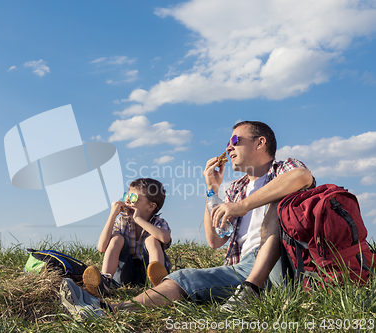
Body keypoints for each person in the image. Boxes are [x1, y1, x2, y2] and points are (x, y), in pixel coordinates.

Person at [59, 121, 315, 318]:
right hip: (241, 266)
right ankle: (107, 310)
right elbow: (215, 241)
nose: (228, 147)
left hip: (281, 264)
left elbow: (301, 177)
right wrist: (211, 191)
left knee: (275, 203)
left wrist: (241, 206)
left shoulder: (281, 169)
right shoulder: (235, 188)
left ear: (260, 143)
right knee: (183, 277)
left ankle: (252, 290)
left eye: (235, 140)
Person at [81, 178, 172, 298]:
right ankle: (104, 281)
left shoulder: (158, 222)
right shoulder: (122, 221)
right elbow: (102, 247)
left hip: (148, 274)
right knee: (116, 239)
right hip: (125, 274)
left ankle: (159, 285)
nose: (127, 201)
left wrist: (138, 219)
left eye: (133, 198)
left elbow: (165, 238)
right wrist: (112, 215)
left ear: (151, 206)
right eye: (126, 196)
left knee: (152, 240)